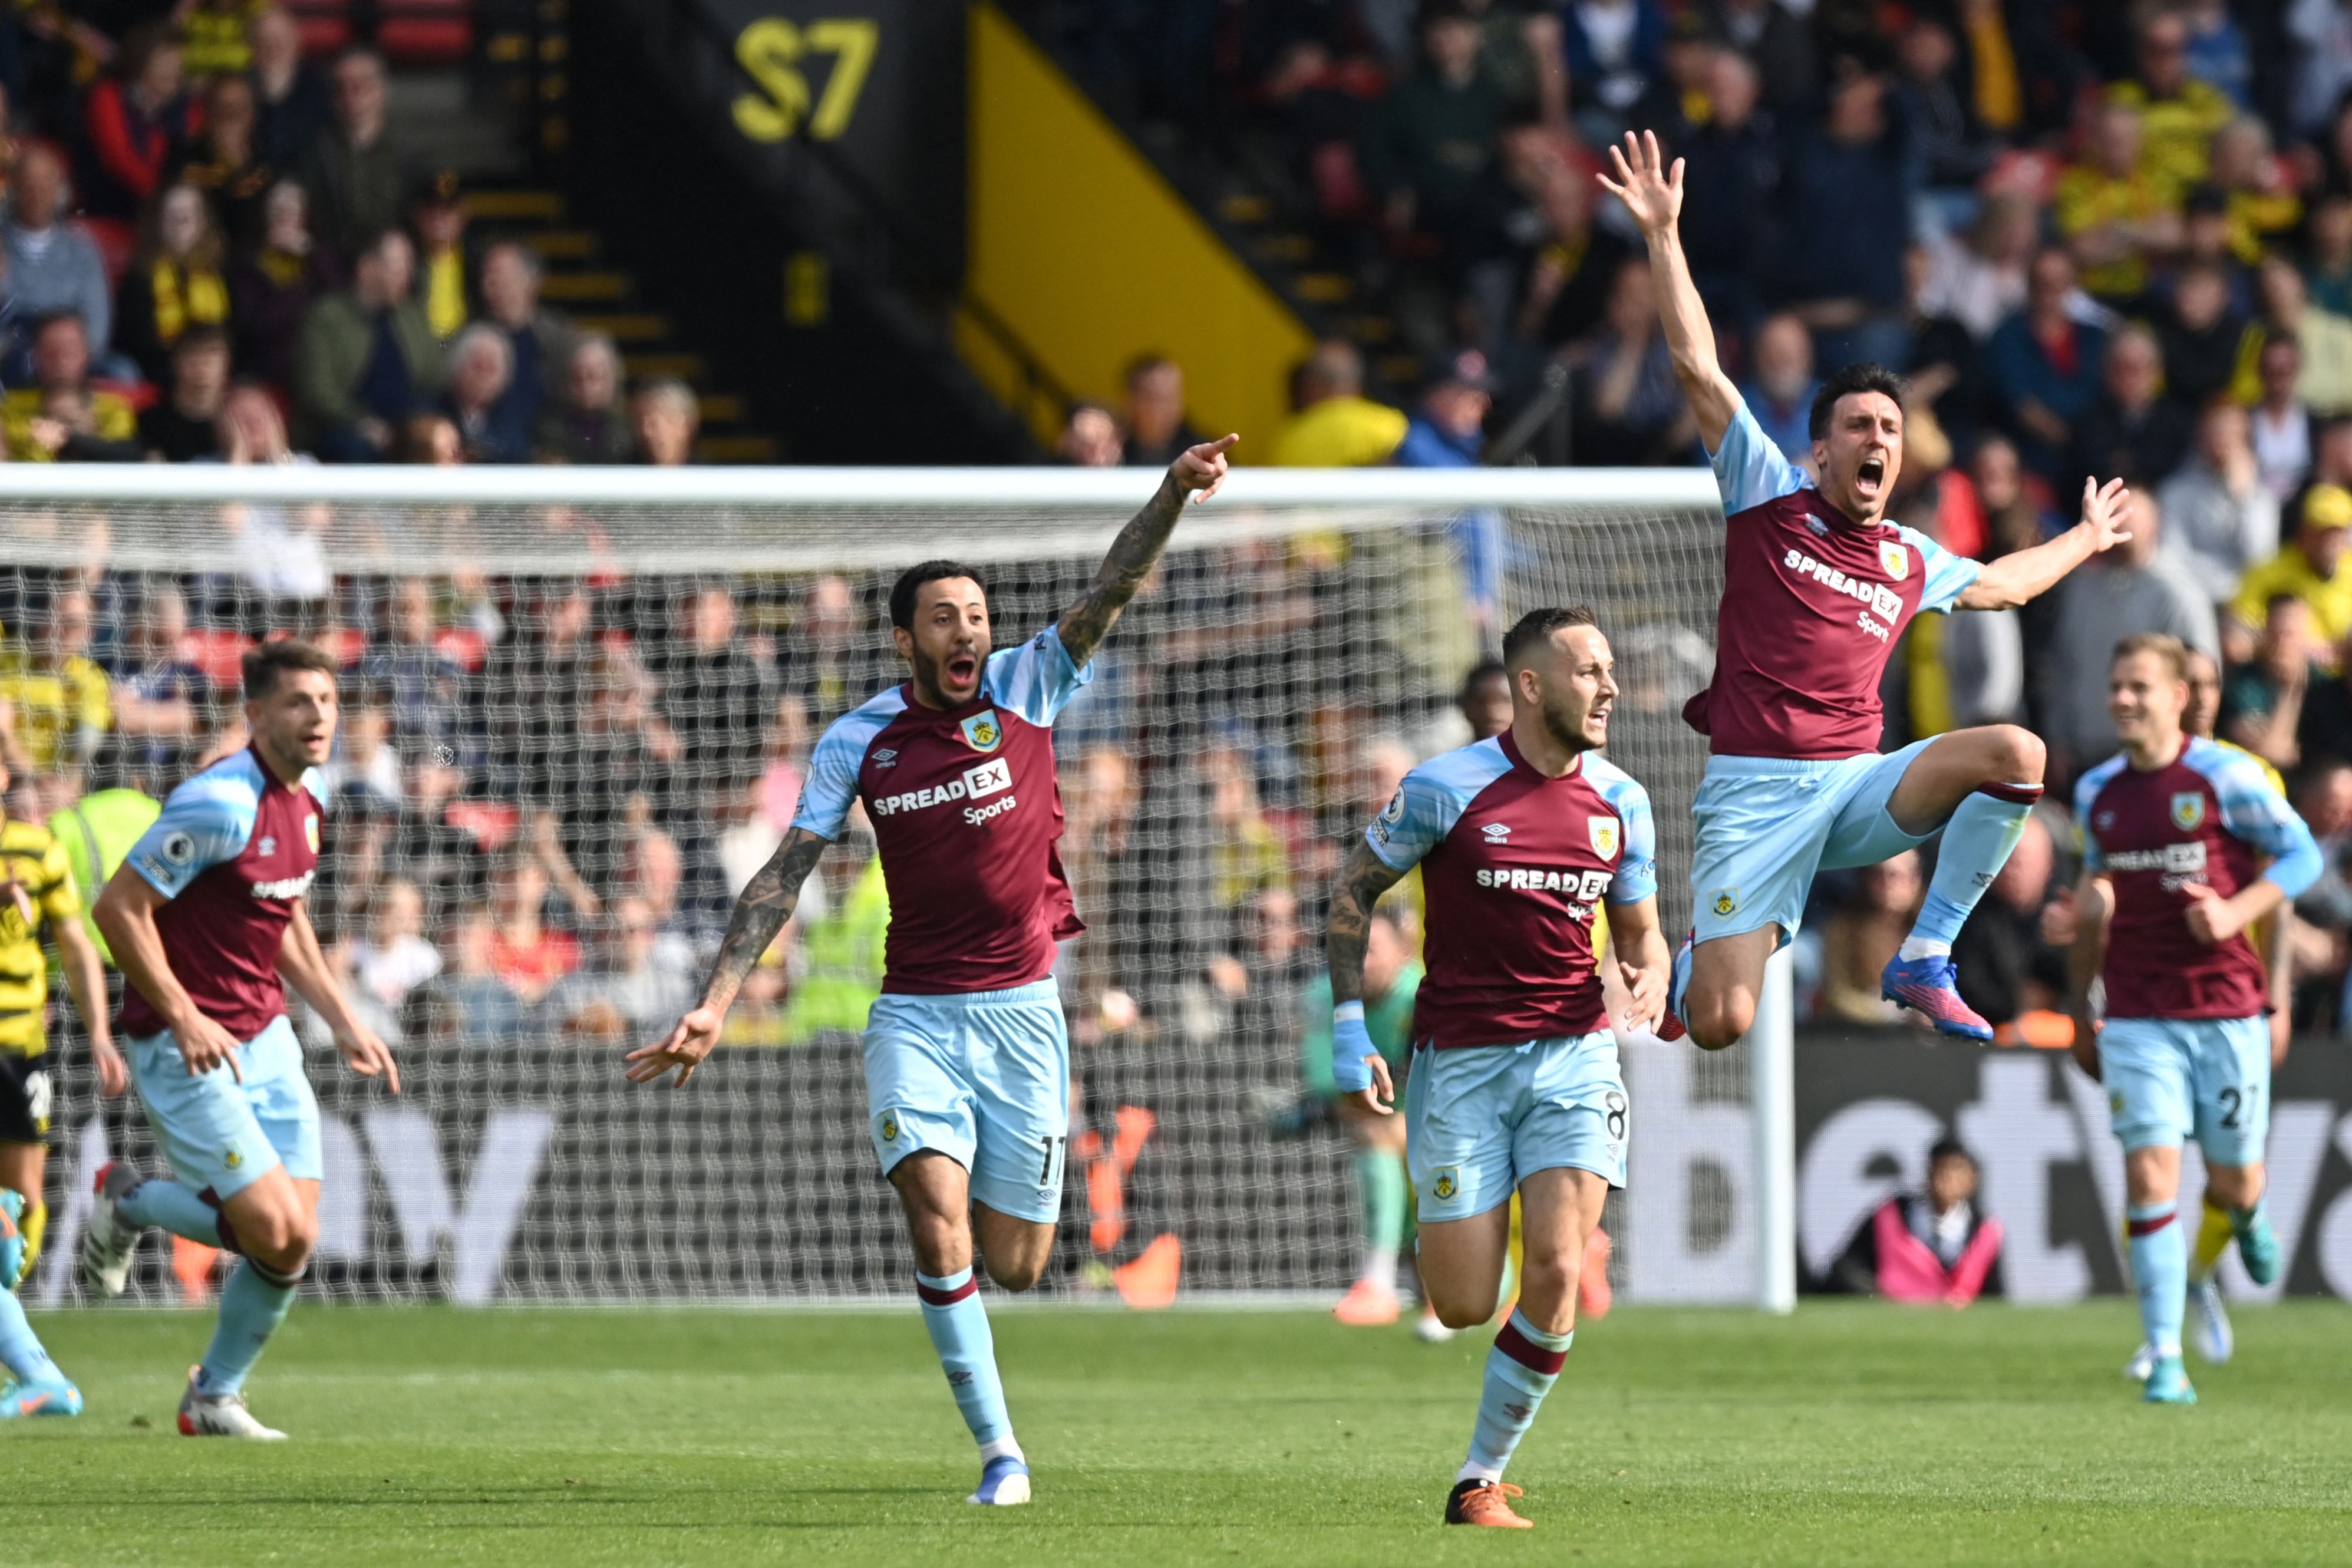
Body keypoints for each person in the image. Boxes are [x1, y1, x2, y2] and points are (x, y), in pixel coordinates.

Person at [627, 434, 1239, 1507]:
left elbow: (1117, 584)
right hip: (914, 1014)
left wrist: (1171, 494)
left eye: (979, 613)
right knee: (933, 1215)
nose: (972, 631)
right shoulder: (860, 740)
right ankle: (1003, 1453)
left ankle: (1002, 1402)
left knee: (1018, 1263)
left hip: (1024, 1015)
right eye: (948, 617)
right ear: (903, 637)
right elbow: (783, 872)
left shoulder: (1030, 684)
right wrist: (715, 1002)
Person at [1599, 130, 2133, 1047]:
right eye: (1855, 425)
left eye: (1888, 425)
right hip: (1754, 797)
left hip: (1856, 788)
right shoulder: (1765, 494)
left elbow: (2003, 586)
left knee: (2017, 751)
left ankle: (1924, 954)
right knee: (1721, 1023)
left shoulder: (1908, 556)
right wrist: (1660, 235)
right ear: (1821, 449)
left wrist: (2084, 538)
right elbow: (1696, 367)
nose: (1875, 438)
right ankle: (1696, 967)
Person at [1323, 605, 1667, 1529]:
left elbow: (1642, 936)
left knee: (1555, 1266)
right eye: (1588, 670)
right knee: (1465, 1300)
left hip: (1574, 1055)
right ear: (1529, 685)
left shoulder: (1620, 801)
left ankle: (1480, 1476)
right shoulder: (1445, 788)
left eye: (1608, 669)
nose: (1608, 687)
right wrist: (1348, 1024)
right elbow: (1351, 893)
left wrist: (1651, 978)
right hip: (1460, 1066)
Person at [83, 641, 400, 1438]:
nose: (318, 716)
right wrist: (186, 1014)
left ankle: (213, 1394)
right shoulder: (217, 801)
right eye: (298, 702)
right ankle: (129, 1201)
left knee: (294, 1240)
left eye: (326, 700)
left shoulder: (313, 793)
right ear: (256, 716)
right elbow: (118, 909)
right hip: (184, 1041)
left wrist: (340, 1013)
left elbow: (280, 908)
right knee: (267, 1228)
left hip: (268, 1034)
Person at [2066, 633, 2321, 1405]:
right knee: (2148, 1176)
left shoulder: (2225, 776)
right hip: (2139, 1013)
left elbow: (2301, 855)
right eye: (2115, 685)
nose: (2121, 699)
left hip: (2224, 1012)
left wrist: (2235, 909)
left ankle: (2246, 1212)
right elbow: (2093, 895)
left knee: (2232, 1179)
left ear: (2177, 697)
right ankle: (2162, 1353)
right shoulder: (2095, 792)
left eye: (2137, 686)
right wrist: (2080, 996)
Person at [0, 758, 124, 1420]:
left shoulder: (37, 847)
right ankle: (34, 1369)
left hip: (20, 1043)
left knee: (22, 1198)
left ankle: (32, 1365)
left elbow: (77, 943)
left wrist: (100, 1032)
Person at [1293, 902, 1441, 1335]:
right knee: (1378, 1138)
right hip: (1384, 1124)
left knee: (1472, 1290)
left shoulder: (1424, 995)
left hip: (1440, 1133)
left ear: (1404, 953)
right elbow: (1329, 1082)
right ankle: (1379, 1283)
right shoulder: (1324, 996)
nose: (1359, 960)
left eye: (1372, 949)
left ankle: (1570, 1251)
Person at [1830, 1137, 2004, 1304]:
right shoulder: (1891, 1216)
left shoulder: (1985, 1233)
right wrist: (1878, 1297)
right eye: (1941, 1169)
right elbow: (1846, 1268)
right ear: (1928, 1174)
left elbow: (1994, 1299)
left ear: (1972, 1179)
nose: (1948, 1179)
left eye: (1956, 1169)